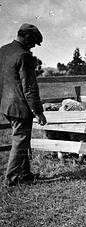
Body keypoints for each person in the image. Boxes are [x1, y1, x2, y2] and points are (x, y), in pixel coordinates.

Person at [0, 23, 47, 187]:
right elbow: (29, 88)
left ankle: (25, 174)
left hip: (5, 105)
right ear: (26, 37)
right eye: (33, 41)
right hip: (20, 107)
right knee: (20, 141)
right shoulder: (24, 56)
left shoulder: (3, 50)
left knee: (22, 140)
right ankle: (11, 179)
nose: (33, 46)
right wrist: (39, 112)